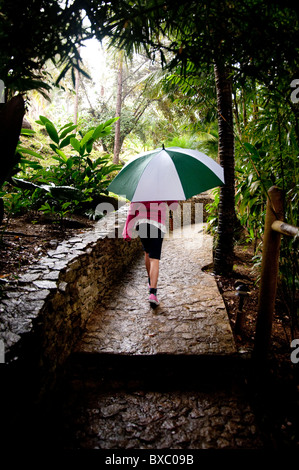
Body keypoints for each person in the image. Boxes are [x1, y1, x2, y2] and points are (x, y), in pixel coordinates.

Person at [122, 200, 178, 307]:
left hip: (141, 223)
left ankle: (149, 280)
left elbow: (132, 210)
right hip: (157, 224)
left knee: (147, 252)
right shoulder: (163, 188)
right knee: (154, 258)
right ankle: (153, 293)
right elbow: (174, 206)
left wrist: (127, 231)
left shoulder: (140, 187)